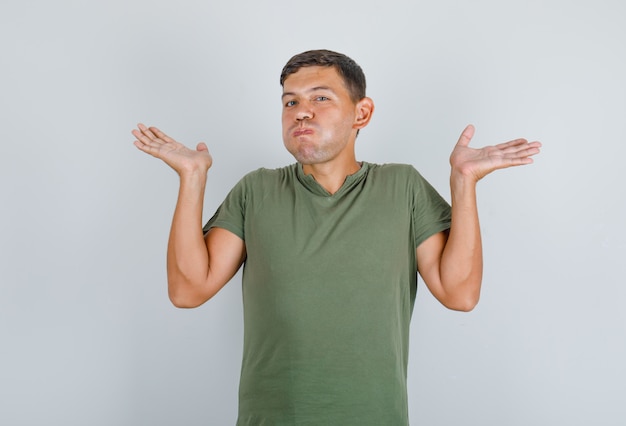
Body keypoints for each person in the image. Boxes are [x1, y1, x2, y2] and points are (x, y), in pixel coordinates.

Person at [132, 49, 541, 425]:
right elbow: (188, 290)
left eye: (320, 98)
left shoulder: (403, 187)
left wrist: (464, 182)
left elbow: (460, 294)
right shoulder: (256, 191)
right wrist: (192, 177)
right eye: (290, 102)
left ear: (361, 113)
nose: (301, 113)